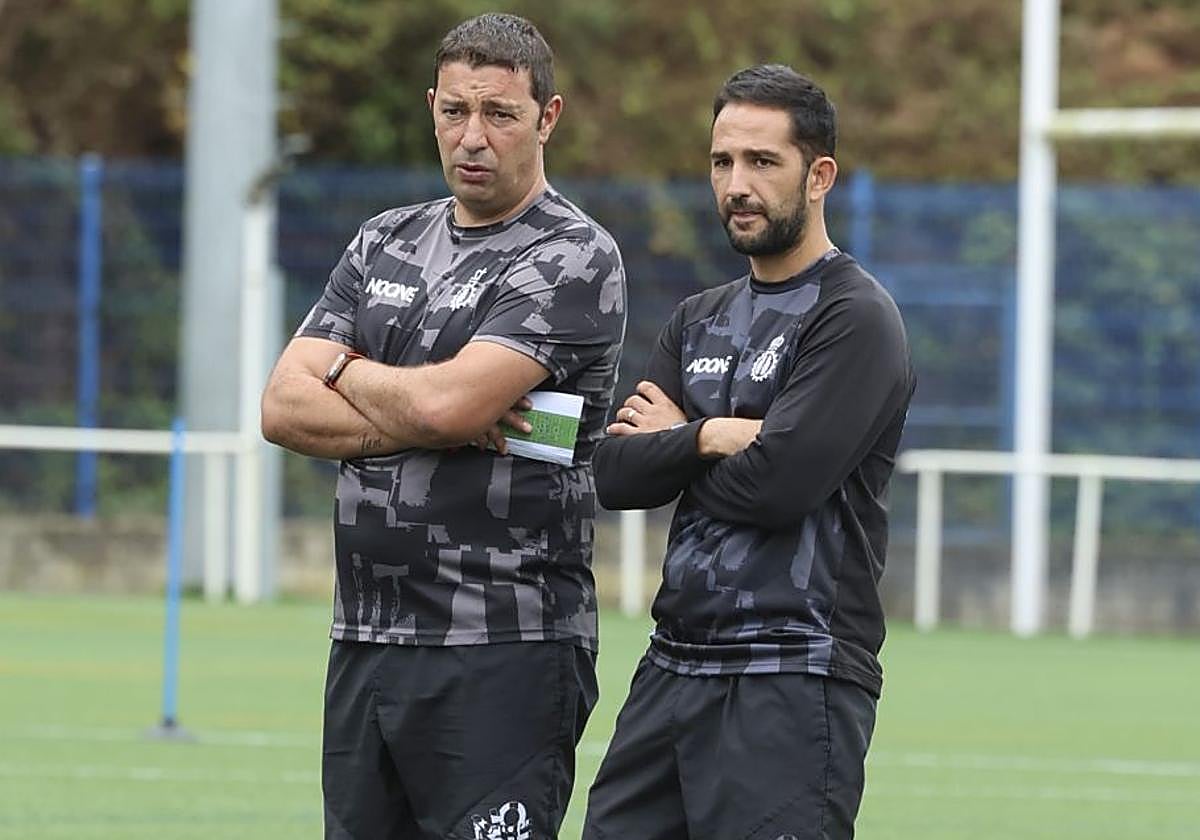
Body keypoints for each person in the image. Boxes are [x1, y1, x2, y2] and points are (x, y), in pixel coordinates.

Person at [261, 13, 626, 839]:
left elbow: (445, 406)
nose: (473, 136)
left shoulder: (573, 255)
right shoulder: (383, 240)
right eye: (455, 110)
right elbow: (282, 407)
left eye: (499, 113)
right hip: (367, 636)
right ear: (431, 107)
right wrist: (436, 416)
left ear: (548, 117)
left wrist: (347, 373)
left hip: (505, 645)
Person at [582, 64, 914, 840]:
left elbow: (780, 488)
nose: (737, 183)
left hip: (793, 675)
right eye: (722, 161)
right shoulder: (697, 317)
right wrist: (709, 434)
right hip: (672, 665)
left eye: (763, 163)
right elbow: (614, 472)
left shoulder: (855, 316)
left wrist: (676, 443)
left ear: (819, 174)